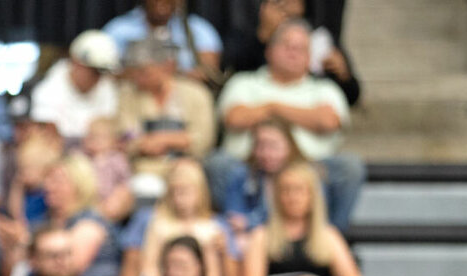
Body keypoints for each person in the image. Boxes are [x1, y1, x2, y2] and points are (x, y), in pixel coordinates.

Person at [211, 20, 365, 232]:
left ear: (310, 57)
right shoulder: (243, 82)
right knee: (217, 163)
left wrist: (273, 107)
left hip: (310, 171)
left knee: (349, 166)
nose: (293, 53)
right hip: (249, 171)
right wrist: (304, 115)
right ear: (269, 50)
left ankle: (330, 240)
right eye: (286, 46)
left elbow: (329, 121)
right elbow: (234, 118)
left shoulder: (325, 88)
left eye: (300, 48)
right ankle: (237, 235)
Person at [242, 161, 365, 276]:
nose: (293, 197)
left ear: (312, 196)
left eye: (299, 190)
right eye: (286, 190)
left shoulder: (328, 235)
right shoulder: (261, 235)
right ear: (277, 196)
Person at [114, 38, 217, 184]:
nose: (138, 79)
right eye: (134, 73)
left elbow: (204, 140)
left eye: (144, 72)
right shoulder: (127, 95)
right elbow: (127, 136)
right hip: (142, 167)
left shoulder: (196, 93)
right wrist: (179, 139)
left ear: (166, 66)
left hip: (188, 165)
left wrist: (162, 139)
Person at [222, 0, 362, 105]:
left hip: (307, 105)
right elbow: (233, 67)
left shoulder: (319, 37)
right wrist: (262, 35)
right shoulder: (250, 30)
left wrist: (343, 74)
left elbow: (352, 95)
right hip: (261, 100)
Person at [33, 154, 122, 276]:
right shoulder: (44, 220)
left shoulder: (90, 223)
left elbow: (65, 269)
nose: (48, 186)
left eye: (57, 181)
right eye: (47, 180)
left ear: (79, 185)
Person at [29, 30, 121, 142]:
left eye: (102, 72)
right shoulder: (47, 91)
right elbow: (48, 139)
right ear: (76, 62)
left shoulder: (107, 87)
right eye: (94, 70)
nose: (98, 77)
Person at [102, 0, 223, 77]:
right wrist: (139, 73)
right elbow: (102, 73)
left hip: (182, 96)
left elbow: (210, 74)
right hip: (132, 95)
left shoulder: (198, 30)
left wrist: (173, 74)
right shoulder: (119, 29)